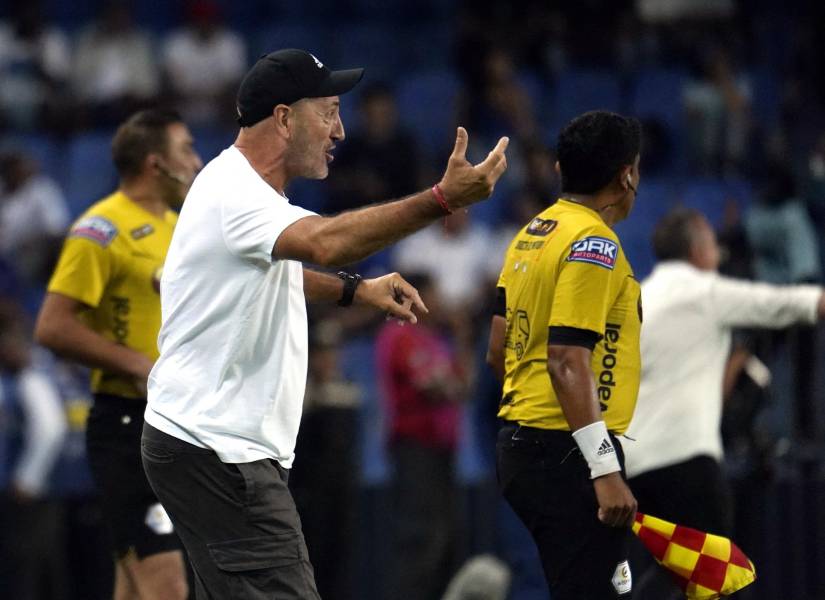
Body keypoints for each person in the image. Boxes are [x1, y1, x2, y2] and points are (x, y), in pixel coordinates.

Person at [139, 48, 508, 600]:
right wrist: (440, 200)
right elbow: (323, 241)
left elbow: (271, 271)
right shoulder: (237, 193)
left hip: (203, 442)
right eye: (329, 111)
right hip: (221, 450)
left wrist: (357, 289)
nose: (340, 129)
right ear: (285, 118)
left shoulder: (235, 187)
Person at [34, 109, 203, 600]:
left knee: (134, 585)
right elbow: (52, 326)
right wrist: (138, 365)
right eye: (186, 150)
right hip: (127, 428)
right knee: (167, 587)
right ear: (156, 163)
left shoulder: (182, 228)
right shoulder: (101, 228)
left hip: (178, 425)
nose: (197, 161)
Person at [623, 207, 825, 599]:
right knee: (716, 579)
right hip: (687, 459)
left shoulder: (637, 301)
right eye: (713, 244)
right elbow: (781, 303)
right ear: (698, 248)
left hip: (638, 466)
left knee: (670, 572)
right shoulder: (706, 292)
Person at [487, 110, 642, 599]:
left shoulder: (530, 235)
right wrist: (604, 468)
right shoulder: (594, 241)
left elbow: (498, 352)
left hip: (522, 446)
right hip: (569, 452)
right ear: (627, 176)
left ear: (559, 169)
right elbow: (566, 359)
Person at [376, 273, 467, 600]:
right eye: (434, 293)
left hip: (440, 447)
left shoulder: (434, 340)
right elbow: (434, 387)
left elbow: (463, 386)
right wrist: (449, 387)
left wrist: (462, 336)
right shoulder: (400, 335)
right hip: (414, 447)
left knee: (444, 538)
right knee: (420, 537)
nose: (440, 302)